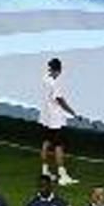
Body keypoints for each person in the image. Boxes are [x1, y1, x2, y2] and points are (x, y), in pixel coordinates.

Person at [39, 58, 80, 186]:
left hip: (46, 118)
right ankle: (62, 176)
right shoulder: (55, 84)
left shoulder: (44, 78)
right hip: (56, 120)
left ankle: (45, 172)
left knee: (46, 142)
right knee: (59, 146)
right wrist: (73, 113)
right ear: (59, 69)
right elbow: (60, 101)